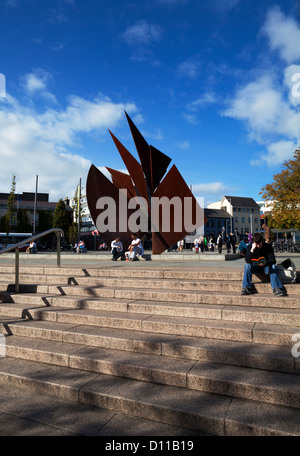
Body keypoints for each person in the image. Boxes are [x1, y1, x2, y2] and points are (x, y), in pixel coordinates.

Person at [241, 232, 286, 297]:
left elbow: (273, 260)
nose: (258, 246)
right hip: (255, 267)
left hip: (265, 267)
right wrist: (252, 250)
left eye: (260, 244)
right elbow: (247, 260)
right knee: (247, 266)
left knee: (273, 266)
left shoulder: (268, 246)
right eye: (257, 244)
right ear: (253, 243)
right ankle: (246, 288)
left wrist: (265, 263)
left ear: (262, 241)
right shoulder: (250, 247)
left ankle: (276, 288)